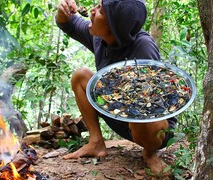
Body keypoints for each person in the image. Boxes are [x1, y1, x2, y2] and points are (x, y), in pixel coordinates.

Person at [56, 0, 177, 175]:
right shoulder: (100, 36)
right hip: (120, 115)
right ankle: (96, 142)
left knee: (141, 108)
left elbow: (155, 106)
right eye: (97, 6)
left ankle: (150, 153)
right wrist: (63, 11)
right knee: (81, 76)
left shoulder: (143, 47)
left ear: (114, 26)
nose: (92, 11)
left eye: (100, 11)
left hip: (153, 127)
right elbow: (68, 23)